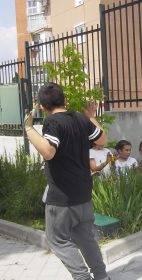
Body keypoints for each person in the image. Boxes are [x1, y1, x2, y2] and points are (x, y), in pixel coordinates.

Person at [24, 82, 110, 280]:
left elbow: (48, 152)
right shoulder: (80, 118)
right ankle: (102, 276)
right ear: (65, 100)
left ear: (43, 107)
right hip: (84, 195)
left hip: (62, 199)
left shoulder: (52, 122)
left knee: (58, 241)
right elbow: (102, 140)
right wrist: (91, 117)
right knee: (85, 238)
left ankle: (82, 277)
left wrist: (29, 128)